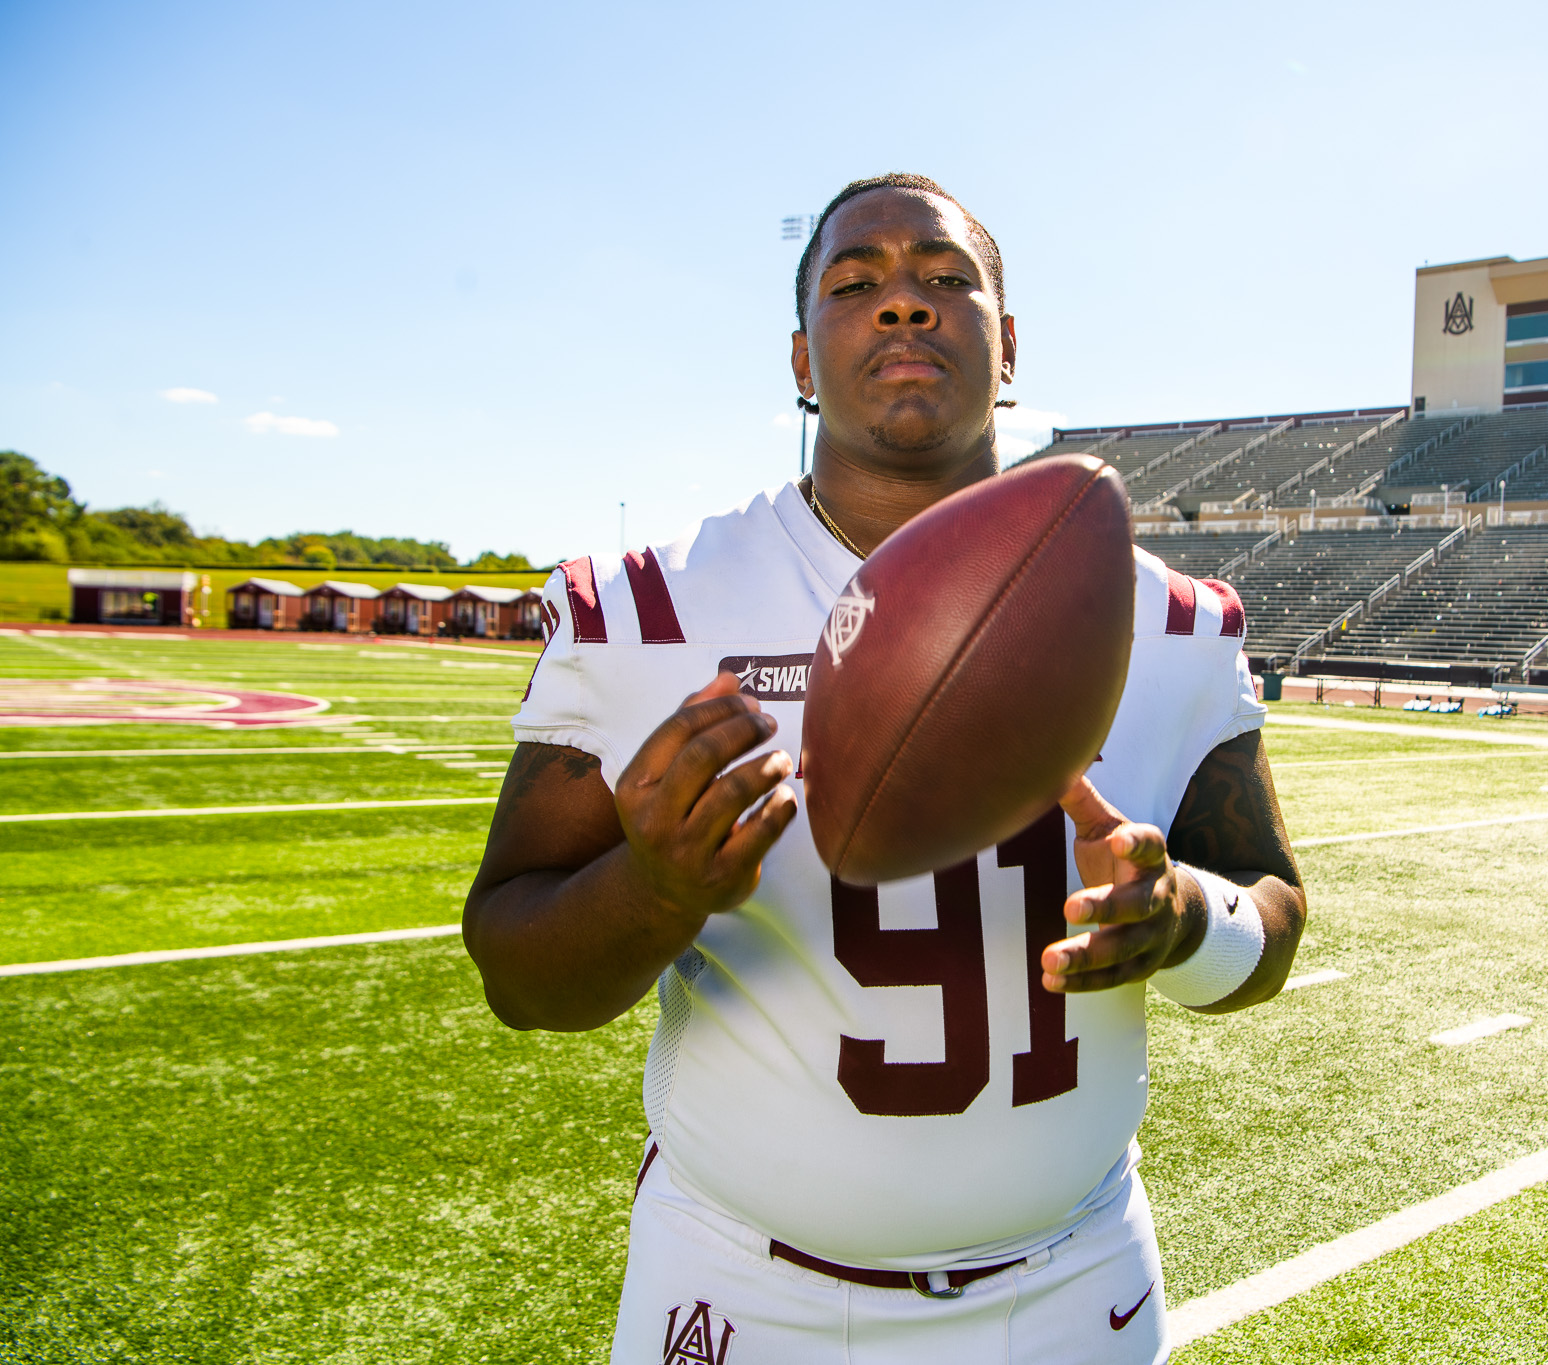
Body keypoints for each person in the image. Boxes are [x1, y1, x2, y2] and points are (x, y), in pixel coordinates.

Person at [463, 173, 1306, 1364]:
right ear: (800, 362)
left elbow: (1271, 917)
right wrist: (653, 891)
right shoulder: (651, 610)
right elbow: (517, 976)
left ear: (1005, 348)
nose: (903, 303)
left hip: (1071, 1286)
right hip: (741, 1289)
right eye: (854, 284)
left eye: (944, 279)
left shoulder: (1169, 622)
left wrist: (1181, 920)